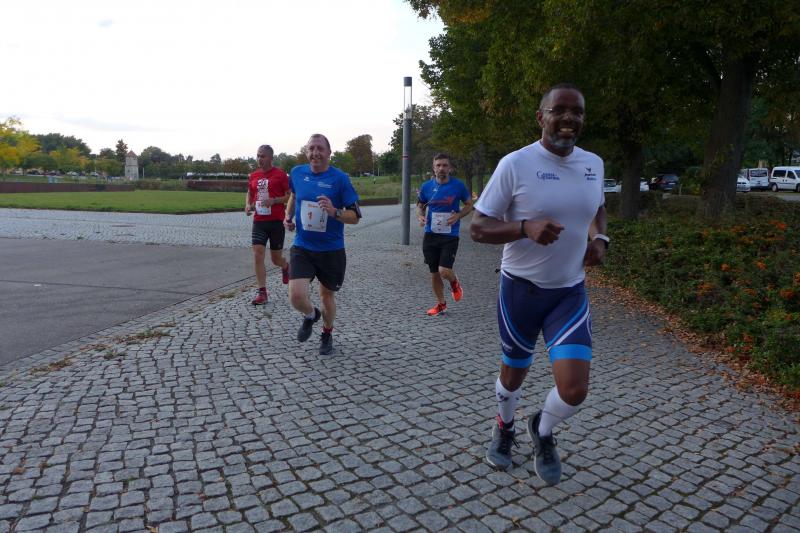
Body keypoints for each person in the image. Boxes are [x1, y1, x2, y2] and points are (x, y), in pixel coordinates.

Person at [471, 83, 609, 485]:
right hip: (521, 291)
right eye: (559, 110)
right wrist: (523, 228)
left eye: (577, 112)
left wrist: (600, 238)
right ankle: (504, 425)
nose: (569, 118)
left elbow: (598, 206)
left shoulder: (593, 164)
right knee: (513, 375)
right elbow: (478, 227)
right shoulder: (515, 164)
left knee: (574, 389)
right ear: (541, 117)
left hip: (569, 292)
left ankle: (542, 430)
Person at [283, 134, 361, 355]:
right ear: (306, 151)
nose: (315, 153)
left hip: (331, 250)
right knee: (296, 296)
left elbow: (355, 216)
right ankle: (311, 314)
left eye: (320, 149)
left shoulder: (340, 179)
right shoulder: (297, 173)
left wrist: (334, 211)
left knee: (327, 296)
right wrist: (287, 217)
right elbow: (294, 196)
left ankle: (327, 333)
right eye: (311, 149)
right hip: (303, 246)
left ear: (329, 153)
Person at [416, 153, 473, 316]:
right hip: (431, 234)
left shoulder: (458, 186)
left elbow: (469, 204)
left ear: (450, 168)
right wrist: (420, 215)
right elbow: (420, 204)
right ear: (433, 168)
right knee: (434, 273)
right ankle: (441, 304)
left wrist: (459, 215)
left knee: (444, 270)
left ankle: (454, 283)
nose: (441, 168)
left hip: (450, 235)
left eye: (445, 165)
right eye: (438, 165)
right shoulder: (426, 186)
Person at [245, 144, 291, 305]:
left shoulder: (281, 175)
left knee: (275, 259)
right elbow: (250, 192)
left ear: (271, 157)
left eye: (263, 156)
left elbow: (289, 196)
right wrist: (248, 205)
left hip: (276, 221)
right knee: (258, 255)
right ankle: (262, 292)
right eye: (258, 155)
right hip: (259, 221)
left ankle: (285, 266)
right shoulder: (254, 175)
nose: (259, 159)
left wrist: (274, 200)